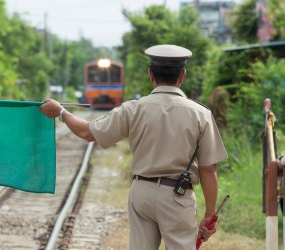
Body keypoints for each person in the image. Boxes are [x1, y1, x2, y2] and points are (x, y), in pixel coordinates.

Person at [40, 44, 228, 250]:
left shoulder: (133, 109)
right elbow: (209, 168)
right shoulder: (200, 114)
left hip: (142, 192)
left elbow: (86, 132)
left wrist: (61, 112)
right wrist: (210, 215)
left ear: (150, 74)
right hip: (178, 197)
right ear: (182, 75)